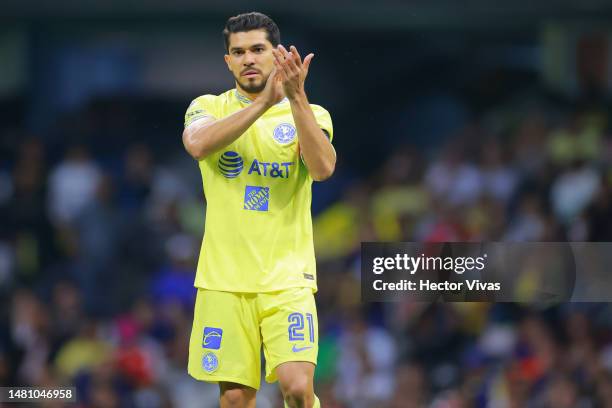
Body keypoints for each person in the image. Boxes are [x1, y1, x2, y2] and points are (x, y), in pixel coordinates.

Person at [181, 11, 336, 408]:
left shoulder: (312, 114)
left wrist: (294, 99)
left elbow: (322, 169)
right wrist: (264, 104)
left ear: (276, 54)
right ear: (228, 61)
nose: (248, 58)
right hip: (224, 280)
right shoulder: (207, 106)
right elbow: (197, 145)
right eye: (238, 51)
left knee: (298, 388)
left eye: (257, 49)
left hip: (288, 278)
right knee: (235, 398)